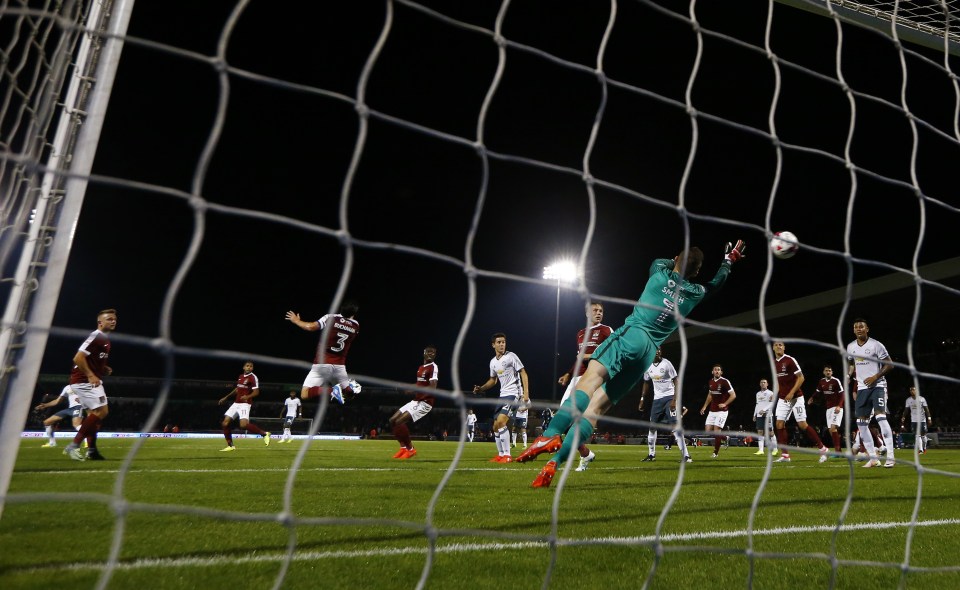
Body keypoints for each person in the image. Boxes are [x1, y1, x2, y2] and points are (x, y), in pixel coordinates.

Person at [517, 240, 745, 487]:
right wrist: (728, 261)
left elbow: (666, 262)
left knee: (589, 380)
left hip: (632, 334)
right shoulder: (695, 293)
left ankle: (549, 436)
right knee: (595, 411)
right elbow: (715, 285)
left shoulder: (659, 272)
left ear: (677, 258)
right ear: (697, 272)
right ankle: (555, 463)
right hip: (647, 354)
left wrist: (677, 259)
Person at [556, 301, 611, 472]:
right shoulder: (580, 333)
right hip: (576, 378)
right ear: (587, 313)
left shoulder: (606, 330)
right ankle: (586, 454)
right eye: (594, 310)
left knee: (578, 419)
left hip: (593, 378)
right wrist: (568, 373)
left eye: (601, 310)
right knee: (562, 419)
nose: (598, 312)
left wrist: (587, 355)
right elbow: (579, 358)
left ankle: (571, 458)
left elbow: (611, 350)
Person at [64, 309, 118, 461]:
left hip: (83, 381)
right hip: (84, 381)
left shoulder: (105, 339)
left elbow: (90, 358)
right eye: (109, 319)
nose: (113, 321)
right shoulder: (97, 336)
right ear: (100, 322)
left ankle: (92, 451)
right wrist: (90, 374)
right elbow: (78, 358)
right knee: (101, 412)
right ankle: (73, 446)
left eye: (114, 319)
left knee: (93, 416)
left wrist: (102, 368)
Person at [285, 300, 360, 404]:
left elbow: (310, 327)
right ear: (354, 313)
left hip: (322, 364)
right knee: (348, 396)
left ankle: (333, 390)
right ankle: (348, 389)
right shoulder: (356, 326)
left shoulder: (331, 318)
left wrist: (296, 321)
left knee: (304, 394)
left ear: (341, 308)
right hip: (340, 367)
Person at [473, 333, 530, 463]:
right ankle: (501, 455)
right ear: (493, 345)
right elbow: (493, 380)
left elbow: (523, 373)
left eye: (503, 342)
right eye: (498, 342)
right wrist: (481, 388)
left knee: (501, 422)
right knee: (495, 426)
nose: (501, 344)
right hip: (502, 395)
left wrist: (526, 394)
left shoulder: (511, 356)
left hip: (514, 394)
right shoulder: (493, 362)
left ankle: (507, 455)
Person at [847, 318, 895, 468]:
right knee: (861, 423)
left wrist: (875, 376)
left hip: (878, 386)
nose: (859, 329)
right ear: (854, 330)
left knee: (881, 417)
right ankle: (873, 459)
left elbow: (890, 364)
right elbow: (851, 362)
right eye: (856, 327)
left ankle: (891, 457)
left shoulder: (876, 345)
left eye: (861, 327)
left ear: (867, 329)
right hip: (862, 388)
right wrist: (849, 376)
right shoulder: (850, 347)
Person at [770, 341, 829, 463]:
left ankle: (823, 449)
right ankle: (785, 455)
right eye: (776, 345)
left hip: (796, 397)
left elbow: (801, 377)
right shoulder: (774, 363)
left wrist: (791, 392)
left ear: (784, 347)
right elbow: (779, 382)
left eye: (781, 345)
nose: (778, 346)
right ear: (773, 348)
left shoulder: (790, 360)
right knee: (779, 424)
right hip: (783, 398)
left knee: (802, 424)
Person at [638, 348, 691, 463]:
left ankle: (686, 456)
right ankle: (651, 455)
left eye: (659, 350)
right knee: (652, 427)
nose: (657, 351)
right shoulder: (648, 366)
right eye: (655, 350)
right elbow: (646, 382)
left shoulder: (667, 364)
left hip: (669, 397)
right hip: (657, 400)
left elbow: (676, 380)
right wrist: (642, 398)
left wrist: (674, 399)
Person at [389, 345, 439, 459]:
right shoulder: (421, 367)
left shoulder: (433, 367)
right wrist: (406, 387)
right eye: (429, 352)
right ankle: (403, 449)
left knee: (400, 422)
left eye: (433, 353)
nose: (431, 354)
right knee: (392, 420)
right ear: (424, 353)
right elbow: (419, 385)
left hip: (425, 402)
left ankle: (411, 450)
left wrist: (412, 391)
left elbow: (432, 387)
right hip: (416, 401)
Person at [218, 361, 271, 451]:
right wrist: (226, 397)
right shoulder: (240, 376)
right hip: (236, 403)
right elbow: (237, 389)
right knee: (225, 423)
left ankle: (264, 434)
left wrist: (247, 396)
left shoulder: (253, 377)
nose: (249, 367)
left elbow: (256, 392)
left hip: (245, 404)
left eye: (251, 366)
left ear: (252, 368)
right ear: (243, 367)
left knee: (243, 425)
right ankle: (230, 445)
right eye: (247, 366)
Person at [699, 364, 736, 458]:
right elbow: (710, 395)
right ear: (712, 372)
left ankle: (715, 452)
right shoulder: (711, 381)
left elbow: (733, 395)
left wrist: (725, 404)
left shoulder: (725, 381)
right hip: (712, 410)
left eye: (719, 370)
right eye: (715, 370)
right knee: (708, 431)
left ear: (721, 372)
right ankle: (725, 438)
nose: (717, 371)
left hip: (722, 411)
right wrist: (704, 407)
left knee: (716, 432)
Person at [810, 364, 844, 454]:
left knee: (833, 428)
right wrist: (812, 398)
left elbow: (842, 394)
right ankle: (839, 450)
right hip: (828, 409)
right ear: (823, 372)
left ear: (832, 372)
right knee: (830, 430)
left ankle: (837, 452)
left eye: (829, 370)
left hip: (836, 407)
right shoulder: (822, 381)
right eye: (826, 370)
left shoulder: (836, 381)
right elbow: (818, 391)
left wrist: (839, 406)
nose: (828, 372)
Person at [901, 386, 932, 454]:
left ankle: (924, 448)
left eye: (913, 390)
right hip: (914, 420)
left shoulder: (922, 399)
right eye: (911, 390)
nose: (912, 391)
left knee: (923, 435)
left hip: (922, 420)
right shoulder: (908, 400)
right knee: (917, 435)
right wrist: (903, 417)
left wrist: (929, 418)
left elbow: (926, 409)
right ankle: (920, 450)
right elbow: (906, 410)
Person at [752, 378, 777, 456]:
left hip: (768, 415)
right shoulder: (758, 394)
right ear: (760, 384)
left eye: (764, 382)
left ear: (767, 384)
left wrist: (764, 410)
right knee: (760, 432)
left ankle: (775, 449)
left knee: (770, 433)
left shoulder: (770, 393)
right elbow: (757, 404)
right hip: (759, 415)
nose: (763, 383)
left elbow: (772, 403)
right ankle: (761, 450)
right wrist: (754, 414)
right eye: (761, 382)